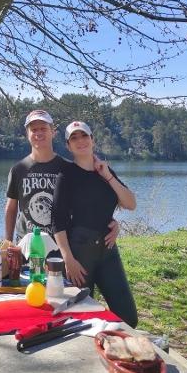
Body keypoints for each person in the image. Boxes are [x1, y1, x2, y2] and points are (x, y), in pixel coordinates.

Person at [52, 120, 138, 327]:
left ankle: (116, 347)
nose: (80, 141)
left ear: (93, 140)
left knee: (128, 318)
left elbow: (130, 203)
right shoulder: (66, 175)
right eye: (74, 138)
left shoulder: (105, 172)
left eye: (84, 136)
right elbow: (58, 219)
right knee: (78, 317)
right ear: (68, 146)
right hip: (80, 254)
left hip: (108, 252)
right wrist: (68, 259)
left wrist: (107, 175)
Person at [5, 110, 118, 247]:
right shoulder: (18, 169)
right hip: (27, 244)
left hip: (63, 245)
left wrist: (111, 222)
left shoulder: (68, 168)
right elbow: (11, 208)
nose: (38, 133)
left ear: (53, 132)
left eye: (43, 128)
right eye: (34, 130)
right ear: (27, 134)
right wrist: (8, 241)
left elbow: (91, 203)